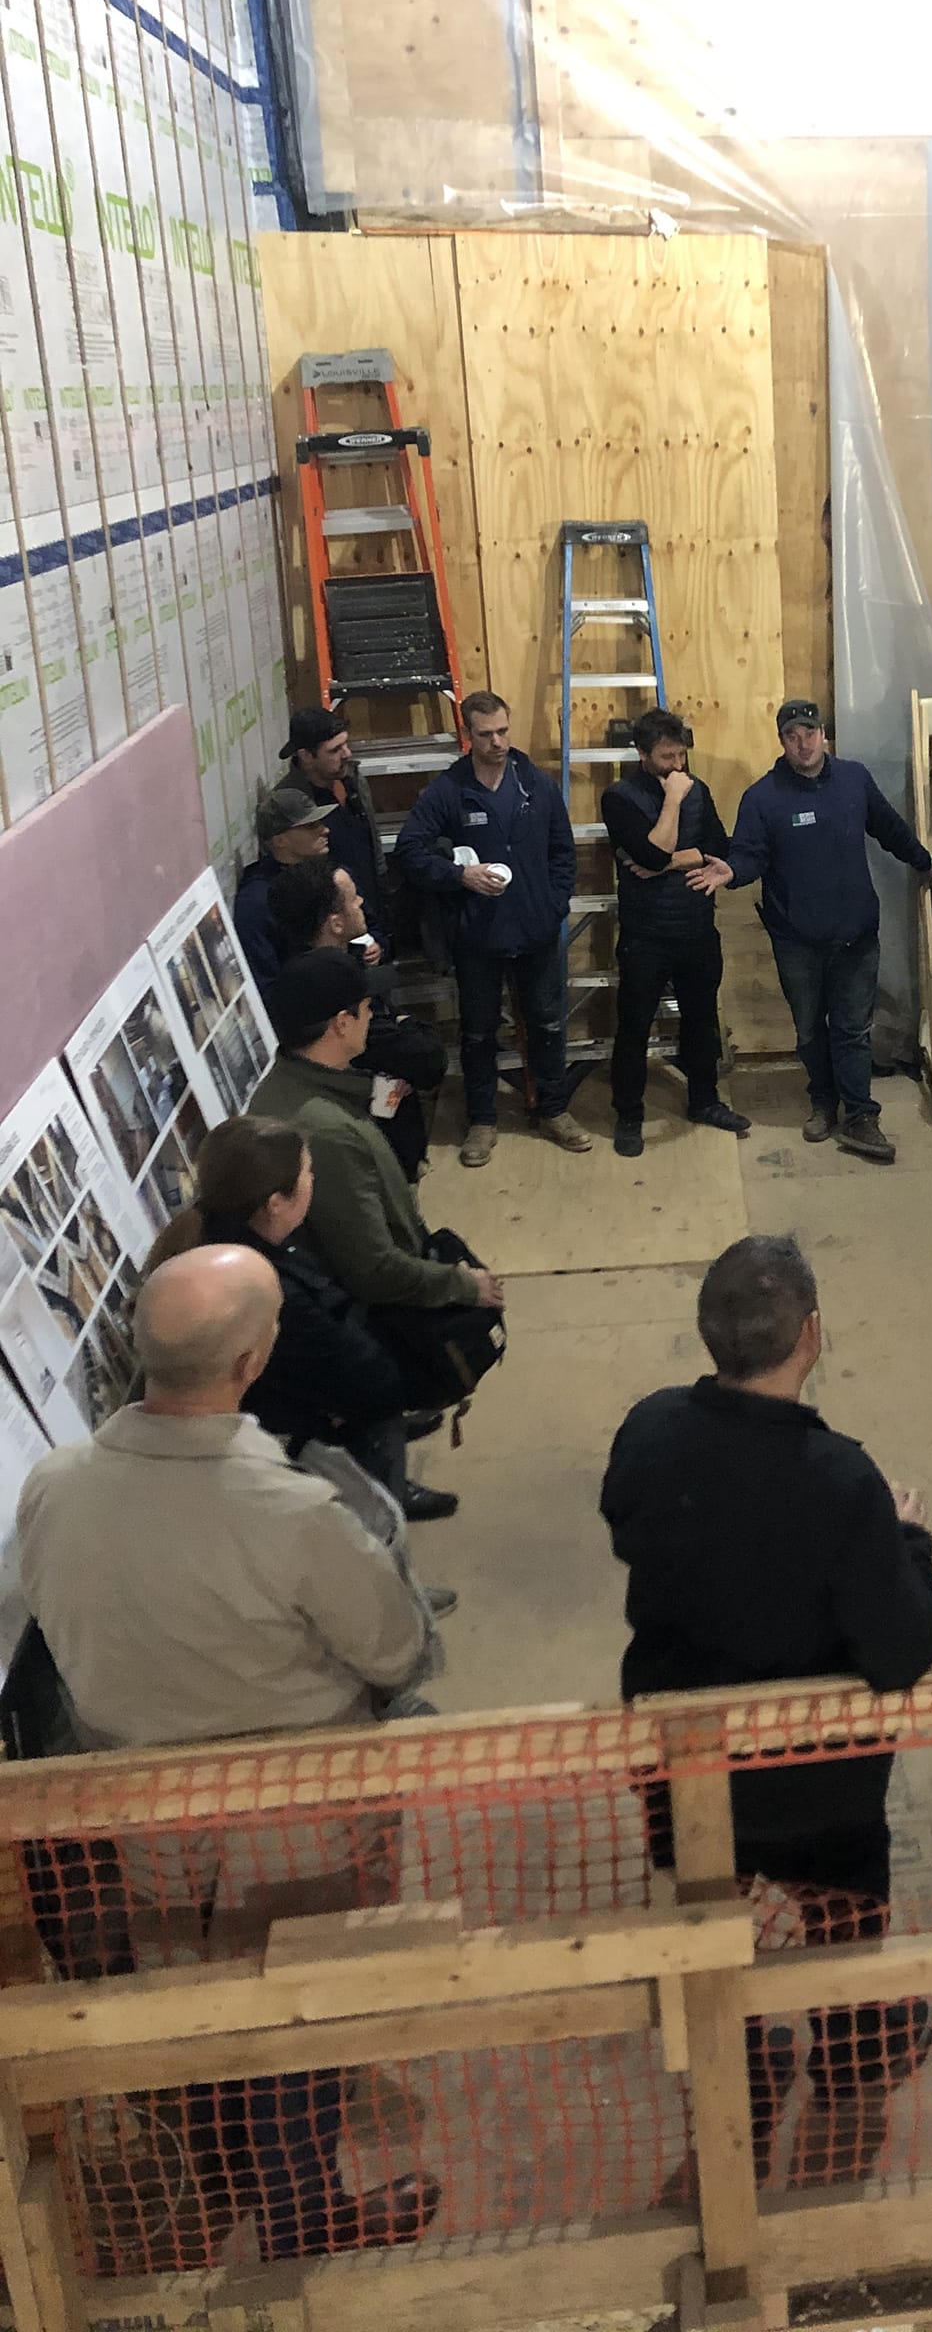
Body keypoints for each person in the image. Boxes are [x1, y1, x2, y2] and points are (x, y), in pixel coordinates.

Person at [17, 1244, 441, 2257]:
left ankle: (227, 2186)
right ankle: (303, 2215)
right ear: (253, 1360)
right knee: (300, 2031)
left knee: (191, 2007)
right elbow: (394, 1649)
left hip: (135, 1819)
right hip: (294, 1828)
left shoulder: (50, 1488)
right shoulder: (293, 1513)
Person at [601, 1235, 932, 2181]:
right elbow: (902, 1649)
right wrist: (907, 1543)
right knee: (842, 1919)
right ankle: (849, 2060)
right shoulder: (843, 1481)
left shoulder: (650, 1428)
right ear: (813, 1336)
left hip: (684, 1766)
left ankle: (741, 2078)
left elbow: (624, 1518)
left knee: (710, 1929)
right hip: (816, 1782)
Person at [146, 1115, 457, 1523]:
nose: (314, 1180)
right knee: (374, 1484)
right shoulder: (270, 1287)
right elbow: (364, 1379)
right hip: (305, 1421)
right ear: (276, 1203)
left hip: (297, 1398)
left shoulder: (221, 1233)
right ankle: (388, 1502)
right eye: (308, 1172)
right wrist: (400, 1387)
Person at [689, 699, 932, 1164]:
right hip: (796, 940)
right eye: (792, 735)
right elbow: (749, 855)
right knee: (808, 1032)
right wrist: (731, 872)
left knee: (851, 1029)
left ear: (824, 733)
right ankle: (823, 1101)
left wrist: (923, 861)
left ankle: (861, 1115)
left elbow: (888, 827)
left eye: (810, 731)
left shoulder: (854, 779)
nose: (803, 743)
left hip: (856, 934)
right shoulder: (762, 798)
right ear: (781, 741)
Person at [251, 951, 507, 1322]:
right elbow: (373, 1269)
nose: (372, 1016)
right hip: (382, 1320)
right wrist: (464, 1286)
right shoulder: (328, 1132)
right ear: (342, 1022)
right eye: (367, 1007)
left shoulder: (295, 1088)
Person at [393, 691, 590, 1166]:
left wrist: (554, 903)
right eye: (486, 735)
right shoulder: (449, 791)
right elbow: (409, 851)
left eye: (503, 731)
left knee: (546, 1022)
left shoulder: (536, 787)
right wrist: (458, 876)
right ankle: (482, 1120)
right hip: (478, 937)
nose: (498, 741)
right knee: (478, 1031)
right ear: (469, 735)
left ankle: (554, 1109)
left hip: (537, 931)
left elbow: (563, 852)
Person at [600, 707, 749, 1161]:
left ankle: (704, 1100)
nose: (677, 767)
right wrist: (672, 803)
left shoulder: (698, 789)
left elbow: (717, 848)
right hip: (646, 934)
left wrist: (676, 860)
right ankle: (629, 1115)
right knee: (634, 1026)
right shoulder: (618, 797)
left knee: (701, 1020)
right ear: (643, 754)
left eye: (681, 755)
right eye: (667, 757)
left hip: (696, 928)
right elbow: (649, 848)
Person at [266, 858, 447, 1182]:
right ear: (335, 923)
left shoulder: (316, 970)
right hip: (380, 1159)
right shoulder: (327, 995)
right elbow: (428, 1057)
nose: (361, 902)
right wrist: (403, 1020)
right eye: (353, 899)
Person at [276, 705, 388, 951]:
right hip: (334, 932)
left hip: (369, 913)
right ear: (306, 756)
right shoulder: (293, 803)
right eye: (334, 750)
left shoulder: (353, 779)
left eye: (346, 744)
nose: (346, 754)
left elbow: (372, 843)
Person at [234, 788, 336, 989]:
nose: (325, 830)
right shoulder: (257, 901)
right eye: (310, 825)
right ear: (280, 840)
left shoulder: (325, 872)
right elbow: (266, 983)